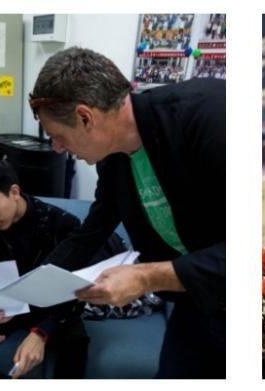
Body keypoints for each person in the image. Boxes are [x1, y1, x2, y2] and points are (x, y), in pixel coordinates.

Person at [28, 47, 225, 378]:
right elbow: (91, 233)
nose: (58, 148)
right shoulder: (114, 159)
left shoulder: (210, 115)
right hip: (195, 301)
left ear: (85, 117)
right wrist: (28, 292)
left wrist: (147, 277)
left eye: (58, 136)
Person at [0, 159, 126, 379]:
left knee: (75, 341)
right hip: (12, 305)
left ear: (14, 192)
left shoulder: (61, 222)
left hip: (56, 305)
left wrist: (41, 331)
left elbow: (74, 289)